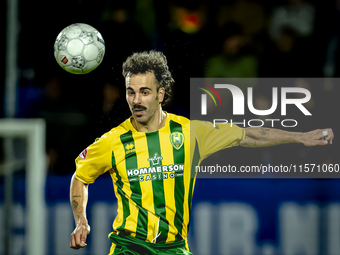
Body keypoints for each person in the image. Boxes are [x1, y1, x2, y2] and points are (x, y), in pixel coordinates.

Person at [69, 50, 334, 255]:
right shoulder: (113, 141)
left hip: (175, 247)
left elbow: (248, 134)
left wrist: (300, 137)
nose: (136, 100)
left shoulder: (190, 133)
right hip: (130, 246)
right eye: (131, 92)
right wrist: (81, 221)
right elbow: (80, 176)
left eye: (145, 92)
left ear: (161, 94)